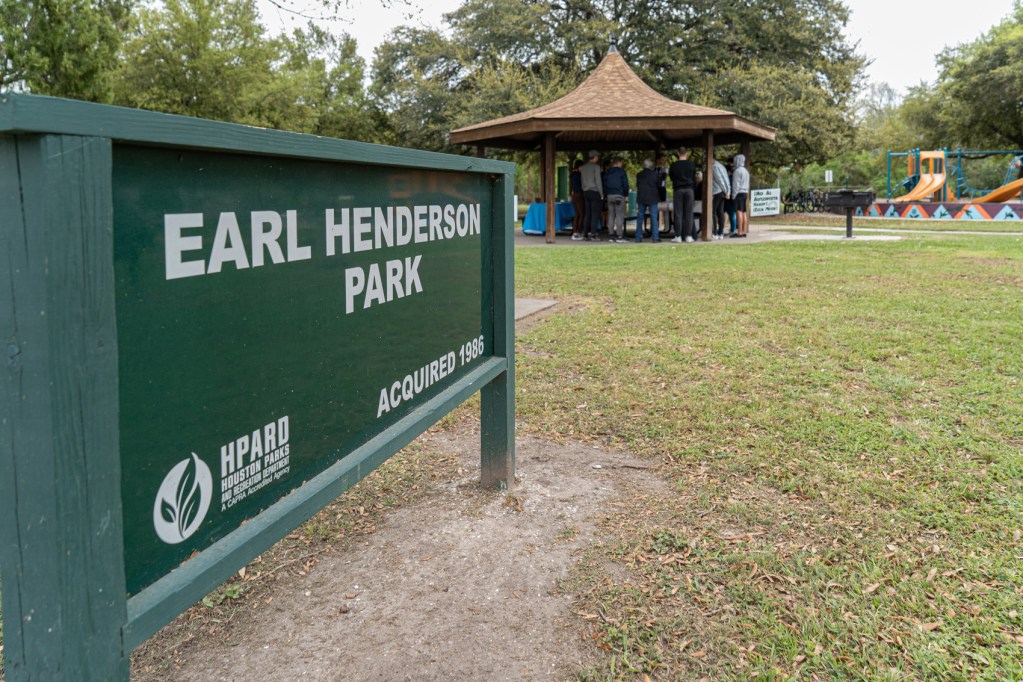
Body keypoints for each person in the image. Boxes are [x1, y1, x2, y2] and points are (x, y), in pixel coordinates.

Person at [668, 147, 696, 243]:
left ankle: (678, 236)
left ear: (677, 153)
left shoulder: (673, 165)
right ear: (687, 153)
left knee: (678, 213)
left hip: (678, 189)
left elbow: (671, 177)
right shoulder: (691, 165)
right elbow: (693, 177)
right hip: (689, 189)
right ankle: (688, 236)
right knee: (689, 213)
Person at [603, 157, 629, 242]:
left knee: (611, 215)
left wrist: (606, 194)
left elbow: (604, 184)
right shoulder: (622, 172)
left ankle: (611, 235)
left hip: (609, 195)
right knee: (619, 216)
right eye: (621, 163)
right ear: (619, 163)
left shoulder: (608, 172)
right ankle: (619, 236)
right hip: (619, 195)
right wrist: (626, 194)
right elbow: (625, 184)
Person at [635, 158, 660, 242]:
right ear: (651, 166)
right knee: (653, 217)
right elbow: (659, 185)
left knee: (640, 217)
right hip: (652, 198)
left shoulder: (639, 175)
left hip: (641, 197)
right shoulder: (655, 174)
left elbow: (637, 185)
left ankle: (638, 237)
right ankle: (655, 237)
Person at [580, 150, 604, 241]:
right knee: (595, 214)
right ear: (594, 157)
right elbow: (598, 181)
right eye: (597, 157)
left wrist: (584, 189)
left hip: (586, 192)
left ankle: (585, 234)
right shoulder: (596, 167)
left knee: (587, 213)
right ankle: (593, 234)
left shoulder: (583, 167)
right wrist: (601, 193)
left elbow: (582, 181)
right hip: (594, 192)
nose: (598, 158)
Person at [730, 154, 750, 238]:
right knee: (744, 211)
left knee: (738, 212)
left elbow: (735, 185)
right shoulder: (745, 171)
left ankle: (739, 232)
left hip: (738, 193)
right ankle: (744, 231)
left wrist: (733, 195)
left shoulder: (737, 171)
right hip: (745, 192)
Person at [711, 157, 731, 240]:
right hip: (723, 192)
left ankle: (714, 232)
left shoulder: (714, 166)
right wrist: (728, 191)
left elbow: (719, 180)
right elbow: (726, 179)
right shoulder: (721, 166)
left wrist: (725, 190)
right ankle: (721, 233)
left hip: (717, 191)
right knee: (720, 212)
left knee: (712, 212)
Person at [570, 159, 585, 241]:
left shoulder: (572, 175)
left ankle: (574, 231)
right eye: (582, 167)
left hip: (574, 195)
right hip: (579, 195)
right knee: (581, 214)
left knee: (576, 214)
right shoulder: (579, 176)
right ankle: (578, 232)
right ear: (579, 166)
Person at [655, 154, 670, 235]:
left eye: (664, 160)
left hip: (663, 190)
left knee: (665, 209)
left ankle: (667, 227)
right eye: (662, 160)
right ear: (658, 160)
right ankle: (655, 227)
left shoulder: (665, 169)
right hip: (655, 190)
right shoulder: (654, 169)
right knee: (655, 209)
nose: (663, 161)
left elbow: (665, 177)